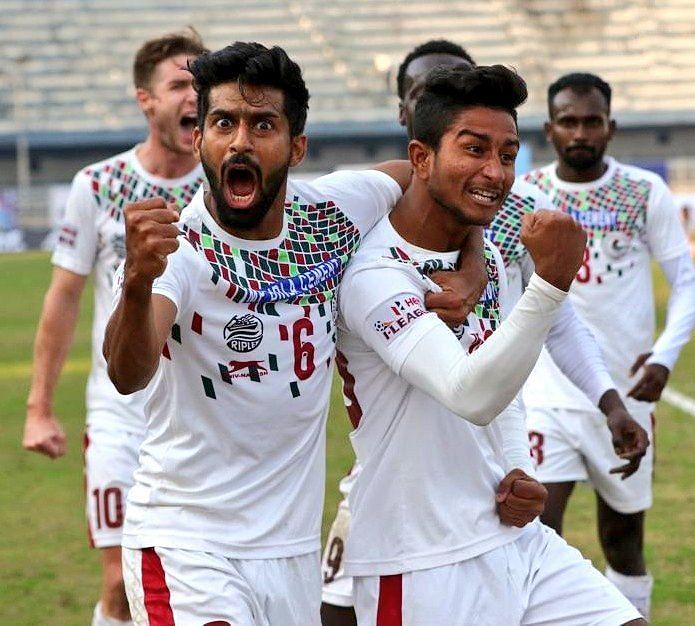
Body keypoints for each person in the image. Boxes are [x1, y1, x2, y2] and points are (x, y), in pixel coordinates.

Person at [103, 41, 489, 625]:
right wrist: (136, 282)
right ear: (200, 140)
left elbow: (441, 178)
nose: (240, 141)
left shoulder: (337, 211)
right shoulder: (175, 251)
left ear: (297, 146)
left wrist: (474, 262)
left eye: (263, 124)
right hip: (187, 546)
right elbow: (128, 374)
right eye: (223, 122)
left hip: (290, 553)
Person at [321, 40, 648, 626]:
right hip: (419, 557)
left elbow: (504, 380)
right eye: (474, 150)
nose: (495, 173)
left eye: (508, 154)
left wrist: (517, 465)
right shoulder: (374, 274)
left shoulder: (488, 254)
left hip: (514, 542)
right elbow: (470, 393)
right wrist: (549, 285)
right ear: (420, 158)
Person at [22, 29, 207, 626]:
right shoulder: (98, 185)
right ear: (146, 100)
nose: (193, 96)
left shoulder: (224, 187)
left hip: (202, 418)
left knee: (190, 584)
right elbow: (63, 298)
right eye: (179, 84)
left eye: (199, 84)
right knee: (121, 585)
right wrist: (39, 407)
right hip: (120, 414)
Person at [522, 72, 695, 620]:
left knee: (622, 539)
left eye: (592, 121)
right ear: (550, 129)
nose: (581, 131)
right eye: (569, 121)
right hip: (546, 393)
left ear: (611, 127)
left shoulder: (644, 191)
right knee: (535, 534)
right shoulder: (529, 193)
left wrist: (666, 356)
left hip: (627, 396)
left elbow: (687, 283)